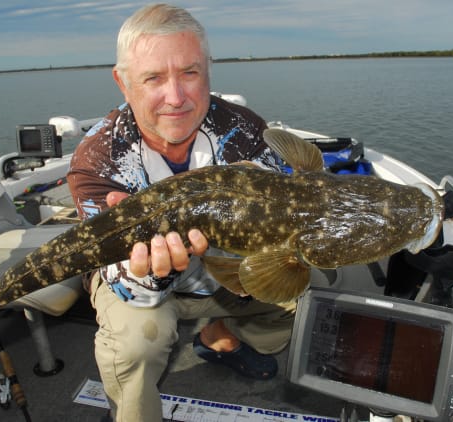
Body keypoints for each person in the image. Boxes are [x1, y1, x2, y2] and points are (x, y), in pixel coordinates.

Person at [67, 4, 296, 421]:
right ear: (123, 81)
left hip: (223, 270)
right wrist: (150, 271)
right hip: (136, 284)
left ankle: (219, 336)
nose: (176, 97)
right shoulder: (97, 160)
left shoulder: (245, 132)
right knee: (137, 340)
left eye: (189, 72)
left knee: (307, 289)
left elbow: (287, 213)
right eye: (153, 77)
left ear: (208, 69)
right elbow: (121, 280)